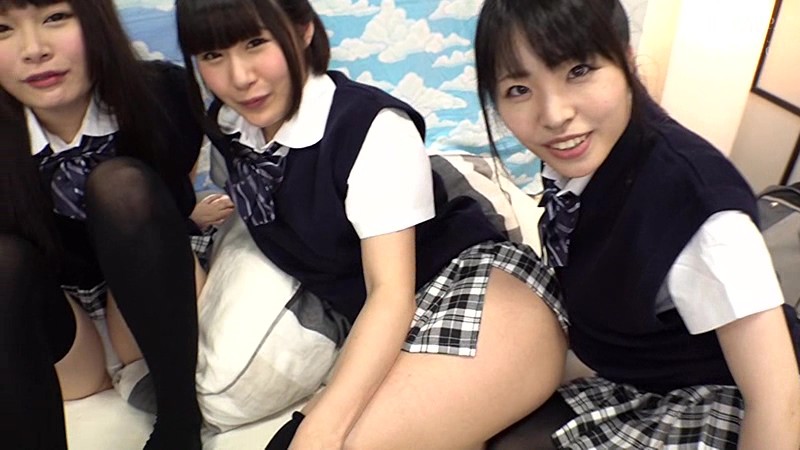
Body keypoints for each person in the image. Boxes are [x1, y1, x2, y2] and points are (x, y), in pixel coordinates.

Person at [174, 0, 569, 448]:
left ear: (303, 31)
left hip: (470, 286)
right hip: (382, 320)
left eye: (255, 43)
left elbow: (390, 293)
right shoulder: (230, 129)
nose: (240, 77)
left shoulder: (371, 127)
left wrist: (322, 427)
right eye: (213, 55)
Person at [474, 0, 800, 448]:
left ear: (627, 60)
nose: (553, 114)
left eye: (578, 71)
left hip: (719, 395)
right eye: (518, 89)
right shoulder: (589, 159)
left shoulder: (702, 213)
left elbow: (778, 399)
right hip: (627, 364)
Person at [0, 0, 206, 448]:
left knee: (121, 187)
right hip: (67, 337)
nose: (34, 50)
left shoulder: (165, 95)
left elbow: (180, 188)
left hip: (160, 299)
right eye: (2, 30)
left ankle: (180, 426)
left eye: (55, 17)